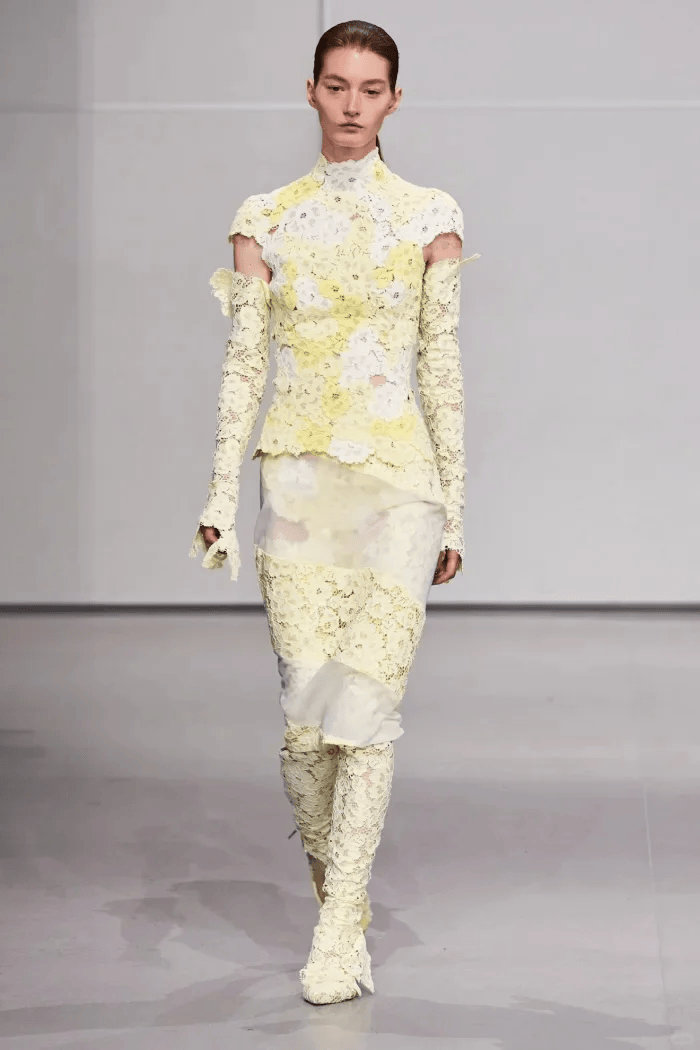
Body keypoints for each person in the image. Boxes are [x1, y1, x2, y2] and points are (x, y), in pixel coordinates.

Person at [189, 19, 479, 1005]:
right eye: (337, 85)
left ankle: (337, 926)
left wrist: (456, 509)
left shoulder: (429, 215)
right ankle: (341, 906)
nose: (353, 104)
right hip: (299, 487)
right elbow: (243, 367)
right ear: (309, 91)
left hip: (400, 485)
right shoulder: (264, 219)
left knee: (366, 712)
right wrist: (218, 492)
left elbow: (441, 368)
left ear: (395, 100)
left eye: (371, 88)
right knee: (306, 728)